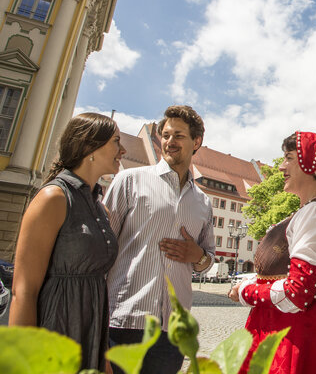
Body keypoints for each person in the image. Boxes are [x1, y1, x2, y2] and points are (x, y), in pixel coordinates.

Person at [229, 131, 316, 374]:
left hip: (297, 339)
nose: (281, 167)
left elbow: (298, 292)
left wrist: (246, 291)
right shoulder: (310, 211)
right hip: (285, 335)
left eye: (288, 158)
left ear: (312, 164)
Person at [10, 113, 126, 371]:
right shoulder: (54, 197)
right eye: (116, 141)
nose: (123, 149)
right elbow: (23, 291)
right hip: (55, 332)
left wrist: (103, 357)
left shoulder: (101, 208)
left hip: (90, 339)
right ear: (90, 147)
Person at [104, 105, 215, 374]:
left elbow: (208, 260)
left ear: (196, 141)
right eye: (165, 135)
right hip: (124, 321)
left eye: (178, 135)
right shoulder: (129, 181)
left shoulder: (203, 202)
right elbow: (102, 249)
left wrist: (196, 256)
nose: (169, 142)